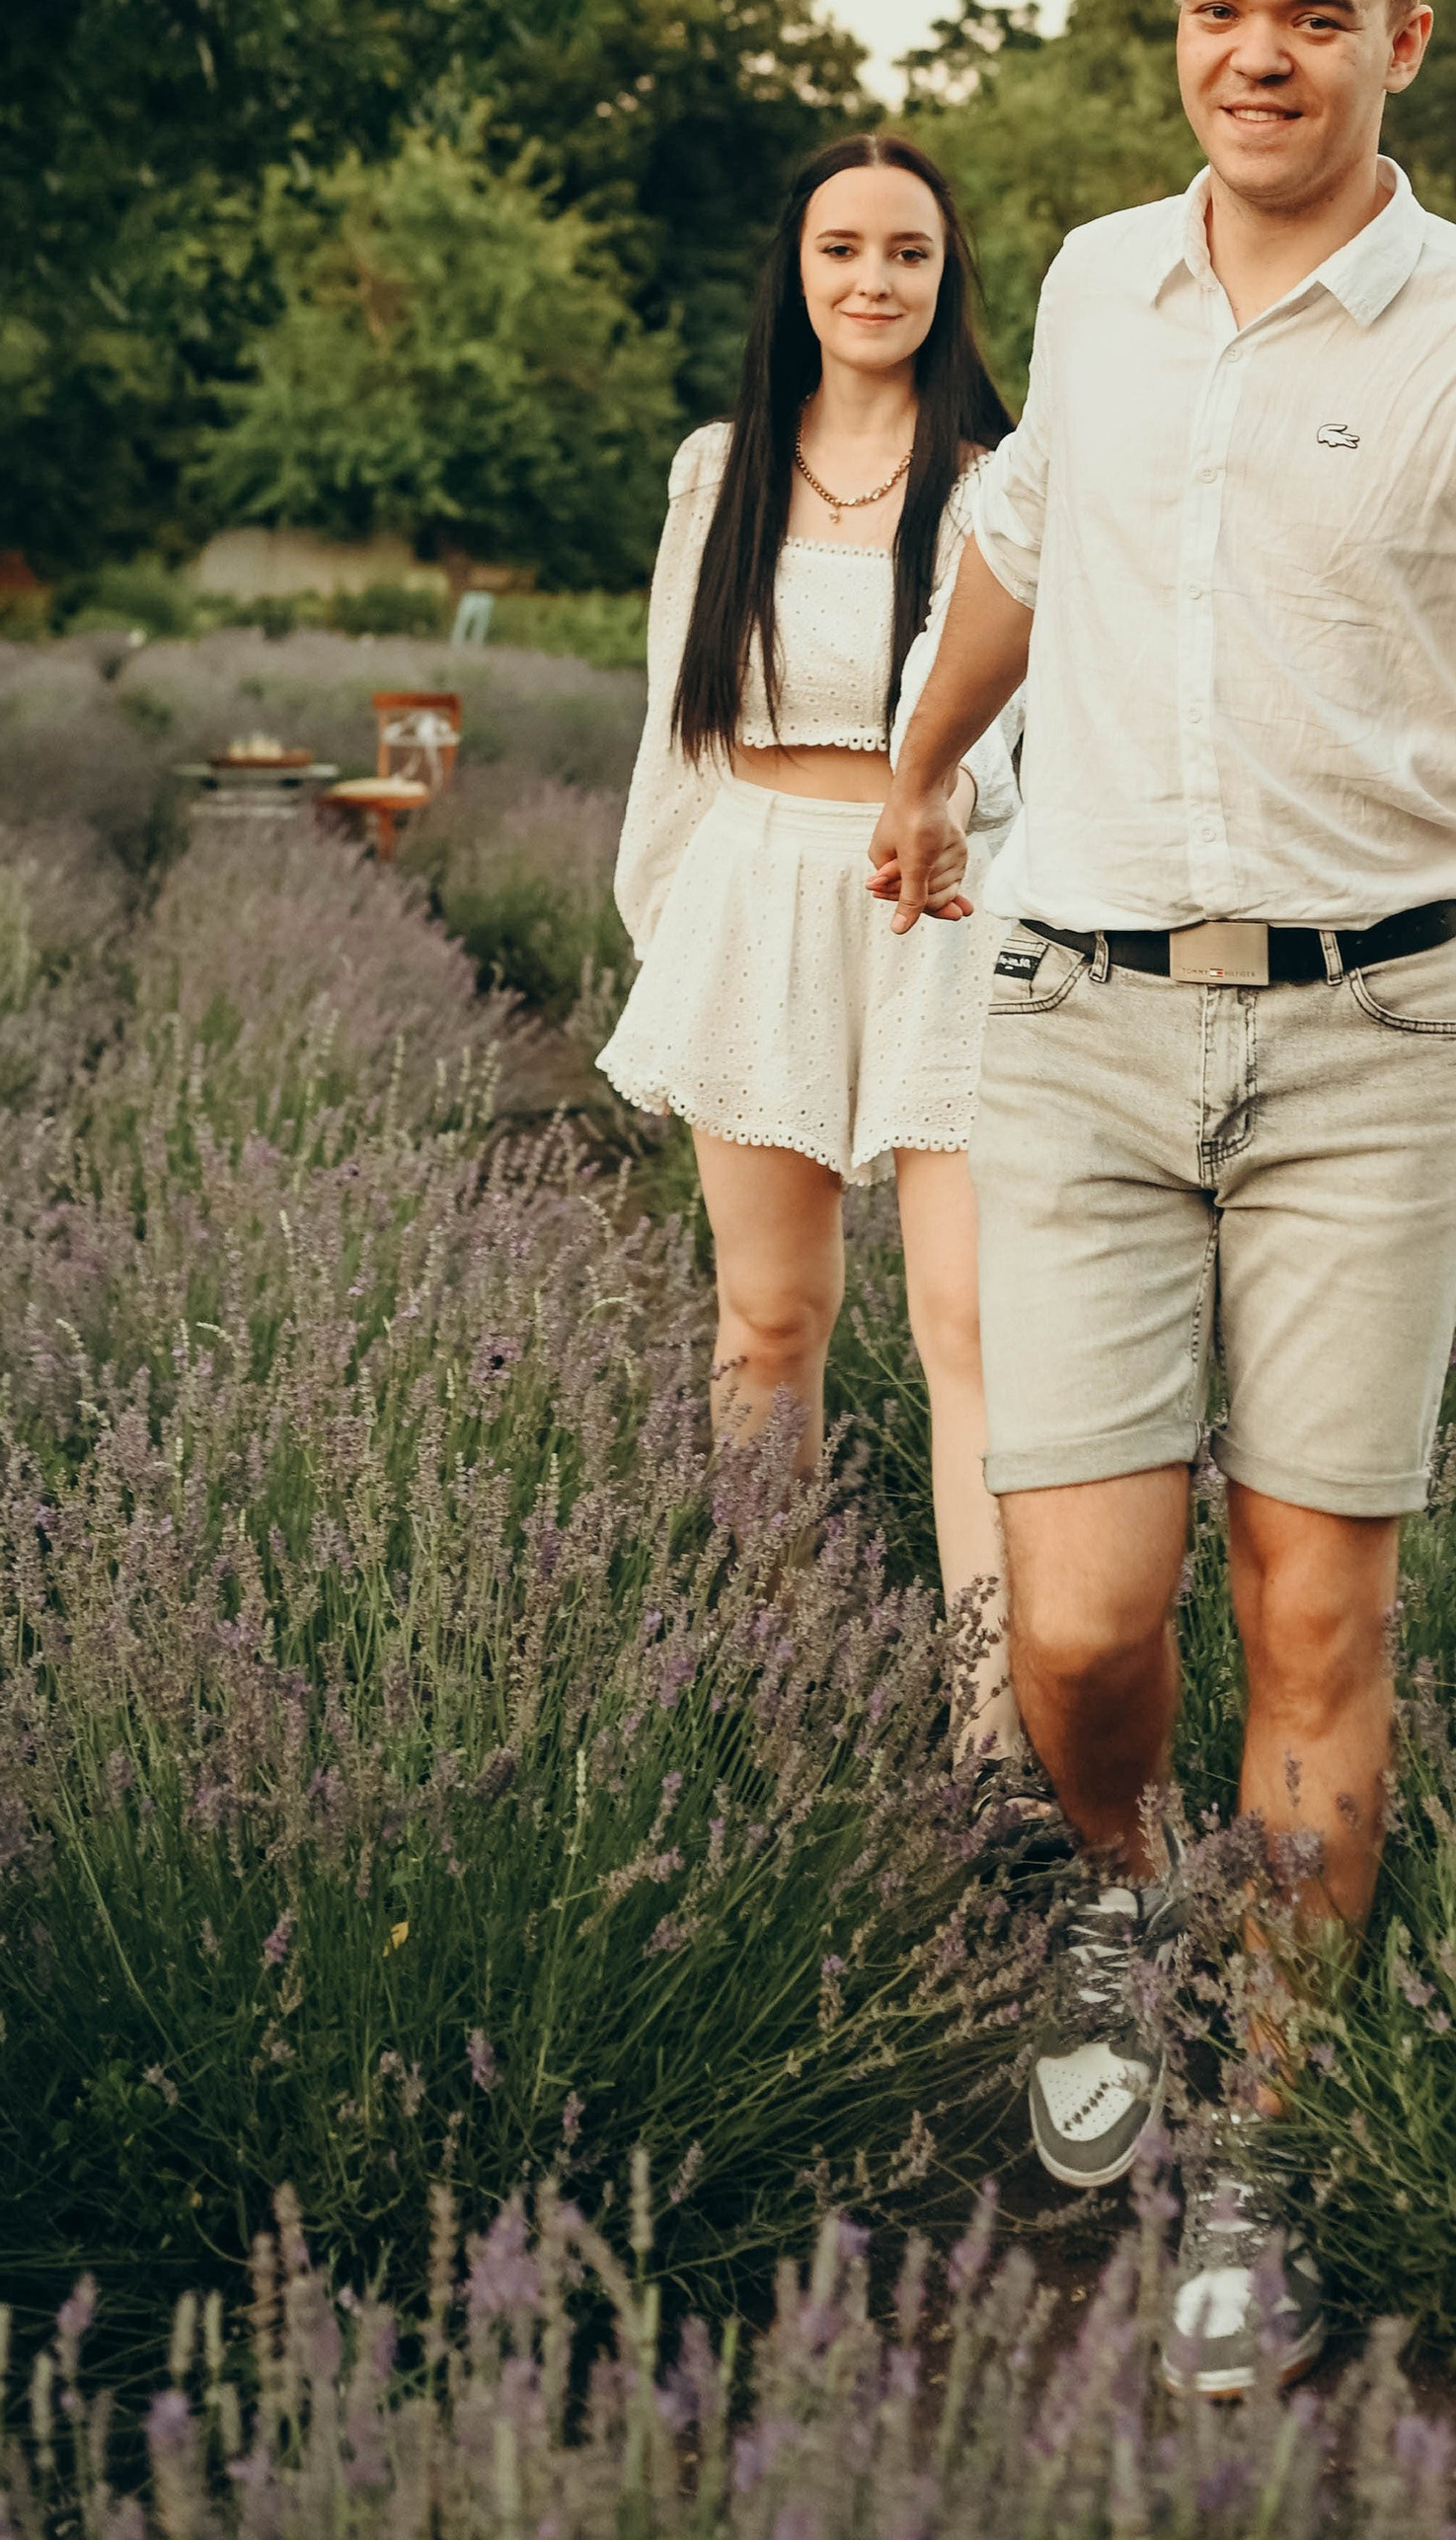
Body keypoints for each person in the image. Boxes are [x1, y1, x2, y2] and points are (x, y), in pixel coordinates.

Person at [873, 0, 1456, 2393]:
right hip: (1081, 1019)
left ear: (1404, 39)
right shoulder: (1104, 288)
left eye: (1314, 15)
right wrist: (921, 762)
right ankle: (1118, 1900)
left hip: (1365, 1040)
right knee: (1088, 1620)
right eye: (1219, 7)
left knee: (1315, 1607)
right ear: (1177, 25)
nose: (1258, 51)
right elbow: (1015, 545)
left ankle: (1263, 2146)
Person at [601, 130, 1023, 1750]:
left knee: (969, 1329)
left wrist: (954, 810)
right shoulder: (723, 469)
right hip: (757, 891)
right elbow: (676, 723)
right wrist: (669, 925)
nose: (873, 281)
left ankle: (995, 1732)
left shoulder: (998, 482)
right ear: (797, 268)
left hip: (940, 904)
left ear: (944, 277)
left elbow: (1028, 727)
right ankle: (775, 1688)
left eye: (907, 254)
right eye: (843, 249)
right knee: (768, 1320)